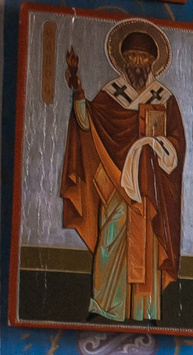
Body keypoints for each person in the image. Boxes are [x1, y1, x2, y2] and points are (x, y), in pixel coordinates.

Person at [60, 20, 183, 323]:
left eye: (142, 58)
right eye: (131, 58)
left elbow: (177, 143)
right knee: (110, 240)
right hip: (116, 184)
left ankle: (147, 311)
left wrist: (158, 144)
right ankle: (104, 306)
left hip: (150, 186)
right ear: (124, 61)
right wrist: (78, 92)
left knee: (149, 245)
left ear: (153, 62)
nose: (137, 64)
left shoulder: (164, 98)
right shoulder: (110, 93)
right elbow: (88, 125)